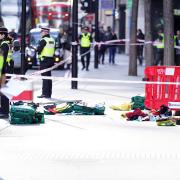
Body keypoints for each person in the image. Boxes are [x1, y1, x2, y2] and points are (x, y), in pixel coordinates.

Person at [37, 27, 55, 98]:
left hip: (44, 60)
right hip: (50, 60)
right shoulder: (52, 40)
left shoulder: (43, 40)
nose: (41, 33)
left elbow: (38, 50)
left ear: (44, 32)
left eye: (41, 32)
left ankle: (44, 93)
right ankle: (49, 94)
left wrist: (37, 49)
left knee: (44, 77)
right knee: (48, 77)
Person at [0, 27, 10, 118]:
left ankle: (4, 111)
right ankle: (2, 109)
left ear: (3, 35)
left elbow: (2, 59)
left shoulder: (4, 45)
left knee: (3, 92)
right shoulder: (3, 44)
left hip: (3, 72)